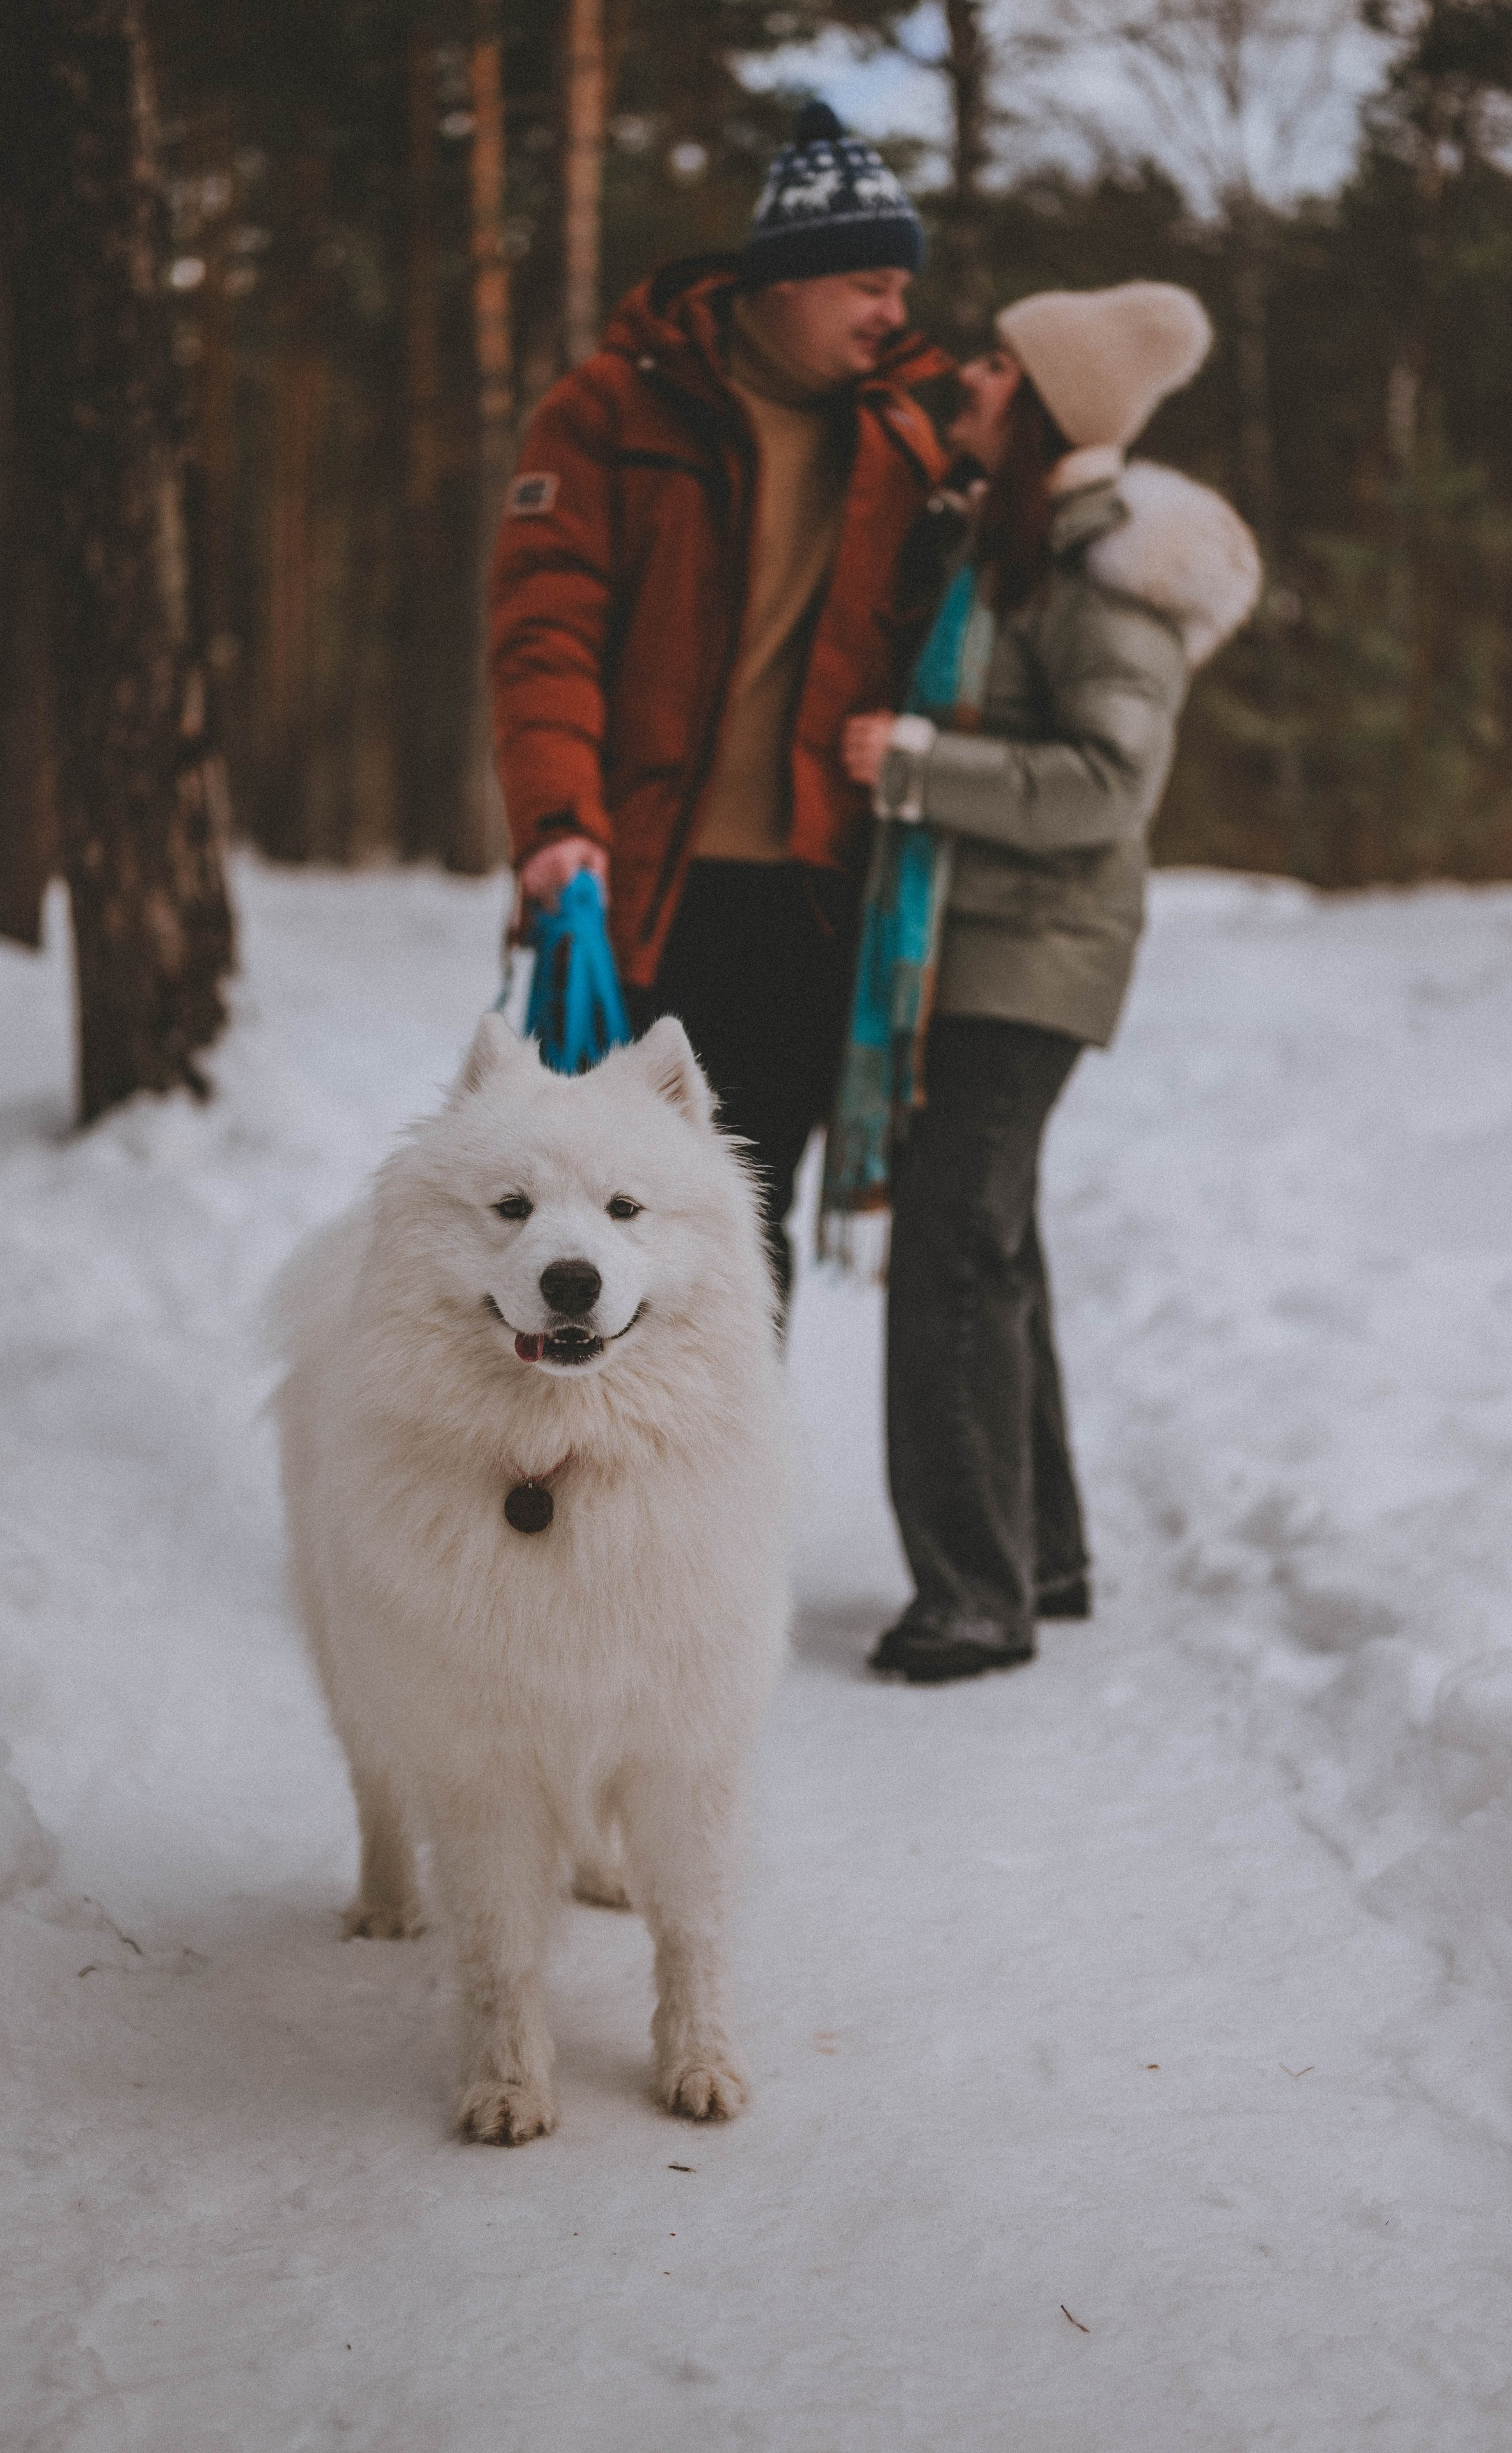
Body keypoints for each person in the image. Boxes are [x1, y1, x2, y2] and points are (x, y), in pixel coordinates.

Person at [840, 283, 1262, 1684]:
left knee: (950, 1250)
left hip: (1038, 954)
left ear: (1042, 406)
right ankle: (1044, 1555)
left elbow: (1102, 788)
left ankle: (972, 1592)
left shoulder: (1107, 580)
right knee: (989, 1246)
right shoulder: (1011, 548)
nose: (969, 377)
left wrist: (912, 766)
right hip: (984, 946)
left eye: (996, 366)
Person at [489, 104, 951, 1307]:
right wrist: (555, 823)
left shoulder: (912, 436)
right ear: (784, 280)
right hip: (632, 884)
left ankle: (716, 1494)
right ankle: (567, 1483)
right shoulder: (608, 411)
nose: (894, 312)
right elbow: (546, 628)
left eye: (900, 286)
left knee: (741, 1223)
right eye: (866, 281)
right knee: (585, 1212)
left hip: (813, 893)